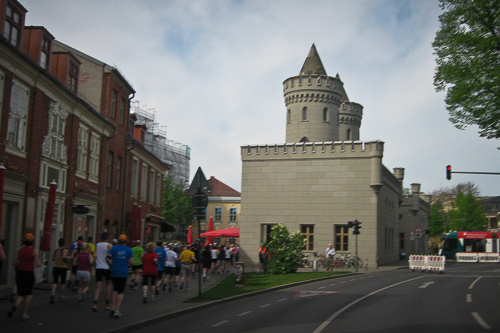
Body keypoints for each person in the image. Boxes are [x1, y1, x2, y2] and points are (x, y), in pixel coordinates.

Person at [7, 233, 42, 321]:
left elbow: (14, 262)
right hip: (29, 273)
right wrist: (40, 263)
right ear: (32, 241)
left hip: (20, 272)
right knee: (28, 294)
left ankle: (15, 306)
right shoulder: (34, 251)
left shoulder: (20, 250)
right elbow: (37, 264)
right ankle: (24, 313)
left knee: (21, 293)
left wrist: (21, 263)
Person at [107, 234, 134, 319]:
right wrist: (128, 266)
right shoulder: (129, 250)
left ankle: (113, 306)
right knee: (121, 291)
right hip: (123, 272)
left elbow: (107, 258)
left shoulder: (113, 248)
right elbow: (132, 262)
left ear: (118, 240)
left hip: (114, 272)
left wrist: (110, 265)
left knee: (115, 289)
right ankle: (117, 310)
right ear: (126, 241)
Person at [92, 232, 112, 312]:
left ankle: (95, 303)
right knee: (108, 284)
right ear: (107, 238)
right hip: (106, 267)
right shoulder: (109, 245)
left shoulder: (97, 245)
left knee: (98, 286)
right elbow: (110, 256)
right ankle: (107, 303)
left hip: (98, 267)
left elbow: (95, 255)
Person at [50, 238, 68, 303]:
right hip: (63, 267)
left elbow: (53, 259)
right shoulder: (64, 250)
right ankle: (61, 295)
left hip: (56, 267)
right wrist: (67, 257)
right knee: (63, 282)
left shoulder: (56, 251)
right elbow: (63, 257)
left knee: (55, 282)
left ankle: (52, 293)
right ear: (64, 244)